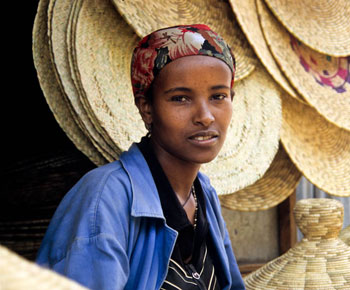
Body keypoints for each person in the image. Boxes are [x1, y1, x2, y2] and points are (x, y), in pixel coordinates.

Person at [36, 24, 246, 290]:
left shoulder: (203, 193)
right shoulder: (103, 200)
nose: (205, 116)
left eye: (218, 96)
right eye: (180, 98)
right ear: (147, 108)